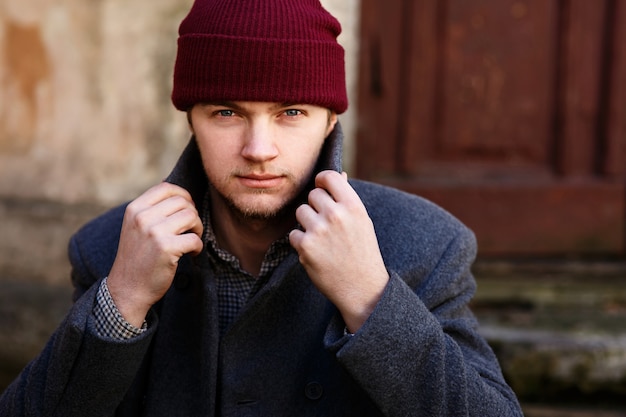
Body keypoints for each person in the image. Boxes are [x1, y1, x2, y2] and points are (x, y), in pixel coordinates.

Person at [0, 0, 524, 416]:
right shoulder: (108, 248)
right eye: (226, 112)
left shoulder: (425, 244)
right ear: (191, 120)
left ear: (329, 121)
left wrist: (371, 301)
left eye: (290, 112)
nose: (258, 148)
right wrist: (123, 300)